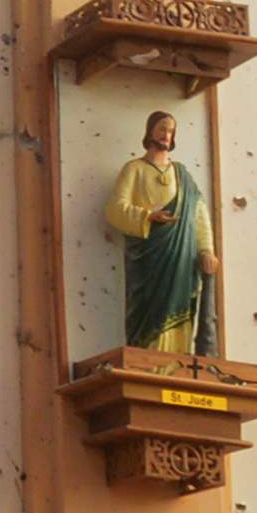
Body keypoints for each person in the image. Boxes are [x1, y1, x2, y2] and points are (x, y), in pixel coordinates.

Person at [108, 109, 212, 355]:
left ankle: (178, 361)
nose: (167, 134)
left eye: (171, 131)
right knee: (148, 312)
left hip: (181, 259)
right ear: (150, 131)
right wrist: (147, 217)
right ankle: (148, 359)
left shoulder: (182, 175)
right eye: (162, 129)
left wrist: (206, 250)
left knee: (180, 307)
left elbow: (199, 213)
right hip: (149, 258)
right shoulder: (134, 169)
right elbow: (114, 209)